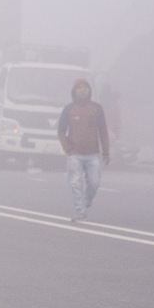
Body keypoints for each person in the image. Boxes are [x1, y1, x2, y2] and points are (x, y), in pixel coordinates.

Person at [57, 78, 110, 222]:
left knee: (94, 183)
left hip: (93, 154)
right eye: (79, 87)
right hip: (75, 155)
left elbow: (103, 130)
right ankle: (81, 211)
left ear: (90, 91)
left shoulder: (96, 109)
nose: (83, 90)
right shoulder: (69, 109)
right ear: (74, 91)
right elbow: (61, 131)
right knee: (75, 183)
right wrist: (67, 148)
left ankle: (85, 203)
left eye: (85, 87)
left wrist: (106, 151)